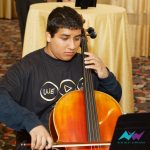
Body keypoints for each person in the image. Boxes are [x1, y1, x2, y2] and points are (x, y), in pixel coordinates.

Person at [0, 6, 122, 150]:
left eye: (77, 39)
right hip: (45, 144)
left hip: (84, 139)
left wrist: (105, 76)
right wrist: (30, 122)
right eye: (64, 38)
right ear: (48, 36)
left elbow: (112, 99)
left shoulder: (87, 64)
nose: (72, 46)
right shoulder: (27, 67)